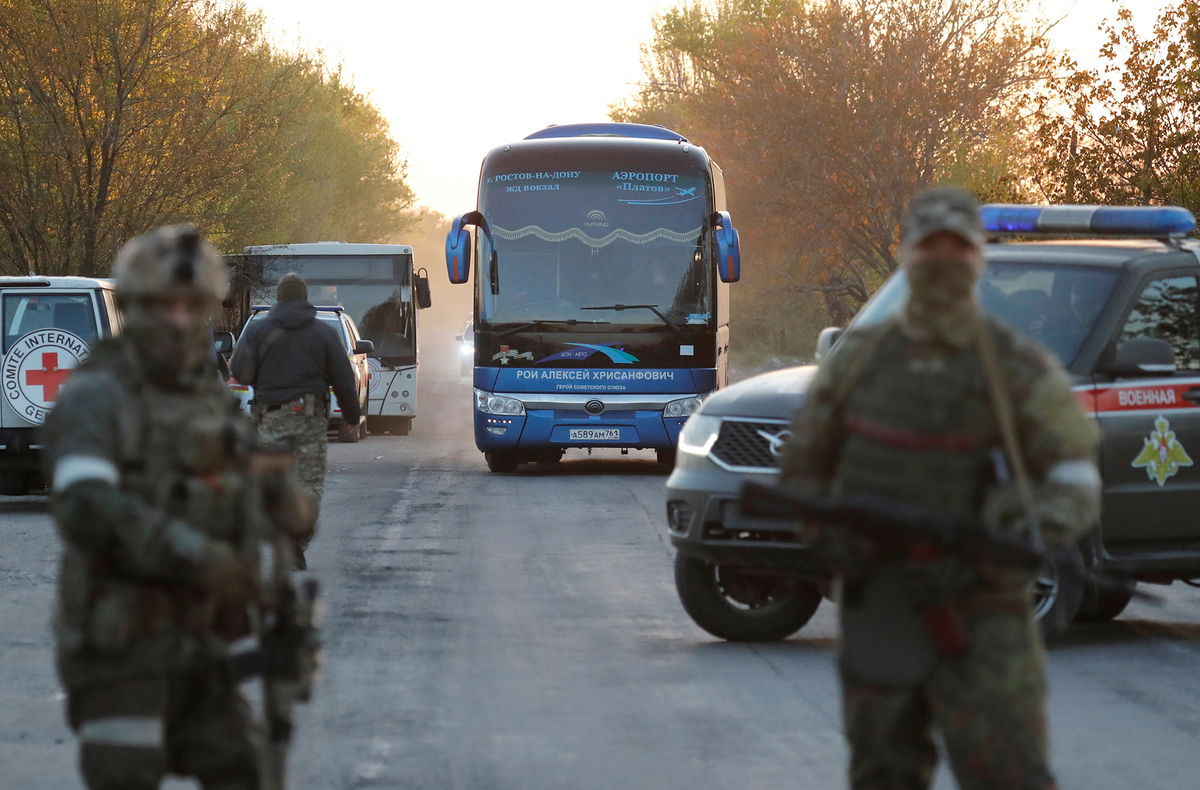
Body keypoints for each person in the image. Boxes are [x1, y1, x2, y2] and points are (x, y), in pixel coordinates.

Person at [777, 187, 1101, 790]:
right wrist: (831, 541)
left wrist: (1018, 529)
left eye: (958, 248)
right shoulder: (858, 362)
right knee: (885, 771)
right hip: (883, 603)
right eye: (931, 249)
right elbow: (802, 467)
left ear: (977, 259)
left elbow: (1074, 476)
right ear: (908, 256)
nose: (943, 261)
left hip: (988, 607)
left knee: (1010, 770)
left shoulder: (1014, 366)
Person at [43, 225, 311, 789]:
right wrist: (196, 555)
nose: (180, 321)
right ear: (135, 308)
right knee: (127, 774)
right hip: (122, 649)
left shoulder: (205, 397)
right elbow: (86, 505)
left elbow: (245, 470)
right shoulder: (97, 394)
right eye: (164, 306)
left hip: (202, 650)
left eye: (194, 307)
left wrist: (283, 504)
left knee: (245, 769)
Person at [230, 273, 361, 567]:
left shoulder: (258, 332)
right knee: (308, 483)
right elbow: (343, 379)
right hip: (309, 418)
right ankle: (295, 542)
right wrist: (352, 416)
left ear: (278, 297)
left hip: (269, 418)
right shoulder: (324, 334)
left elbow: (240, 373)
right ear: (304, 298)